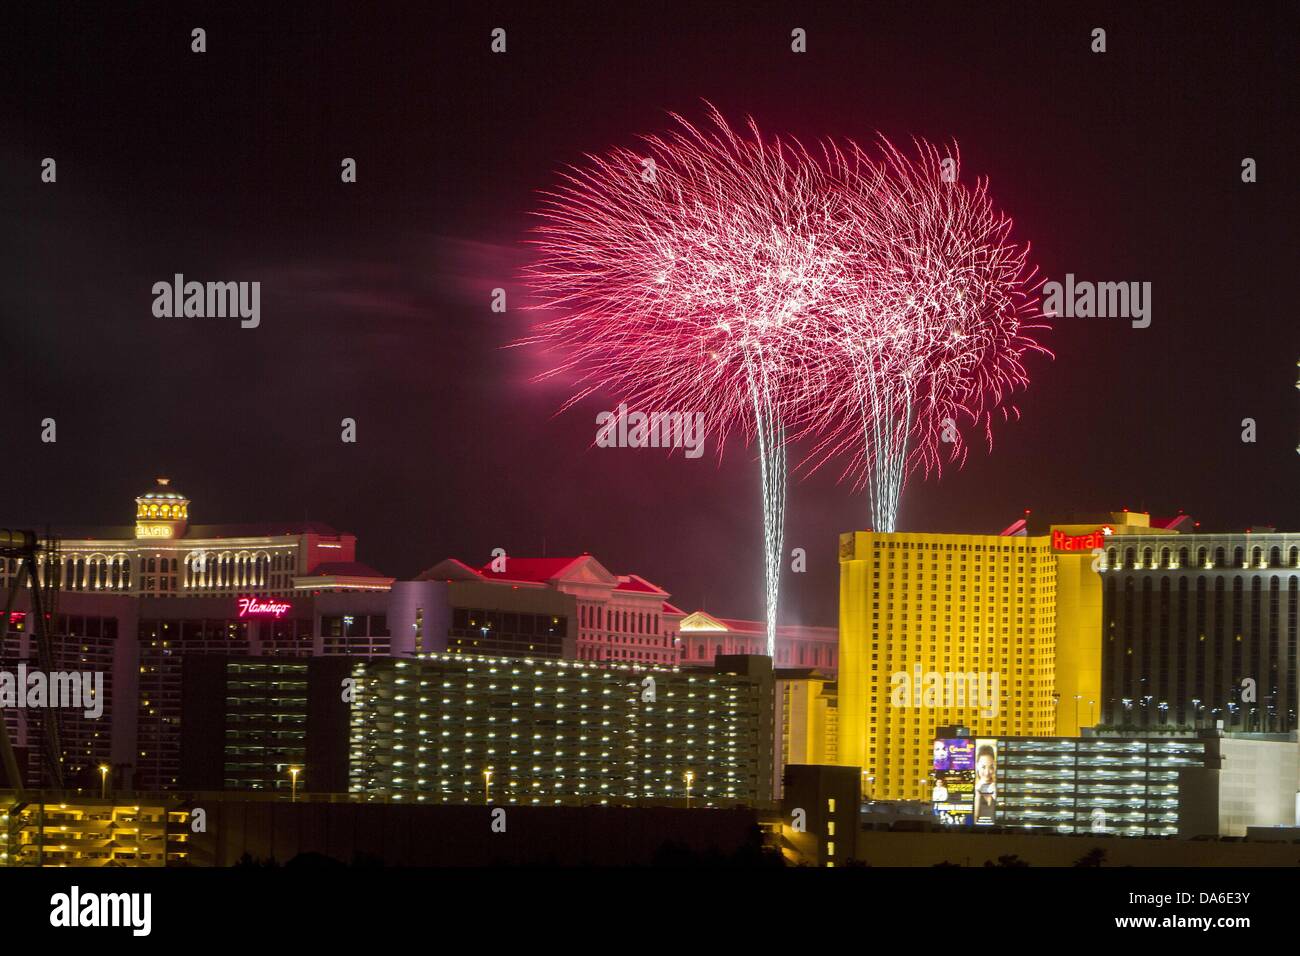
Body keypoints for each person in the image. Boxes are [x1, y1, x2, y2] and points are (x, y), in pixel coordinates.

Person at [973, 744, 997, 823]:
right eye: (983, 767)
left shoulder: (998, 788)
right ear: (977, 766)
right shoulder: (973, 789)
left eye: (991, 767)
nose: (987, 772)